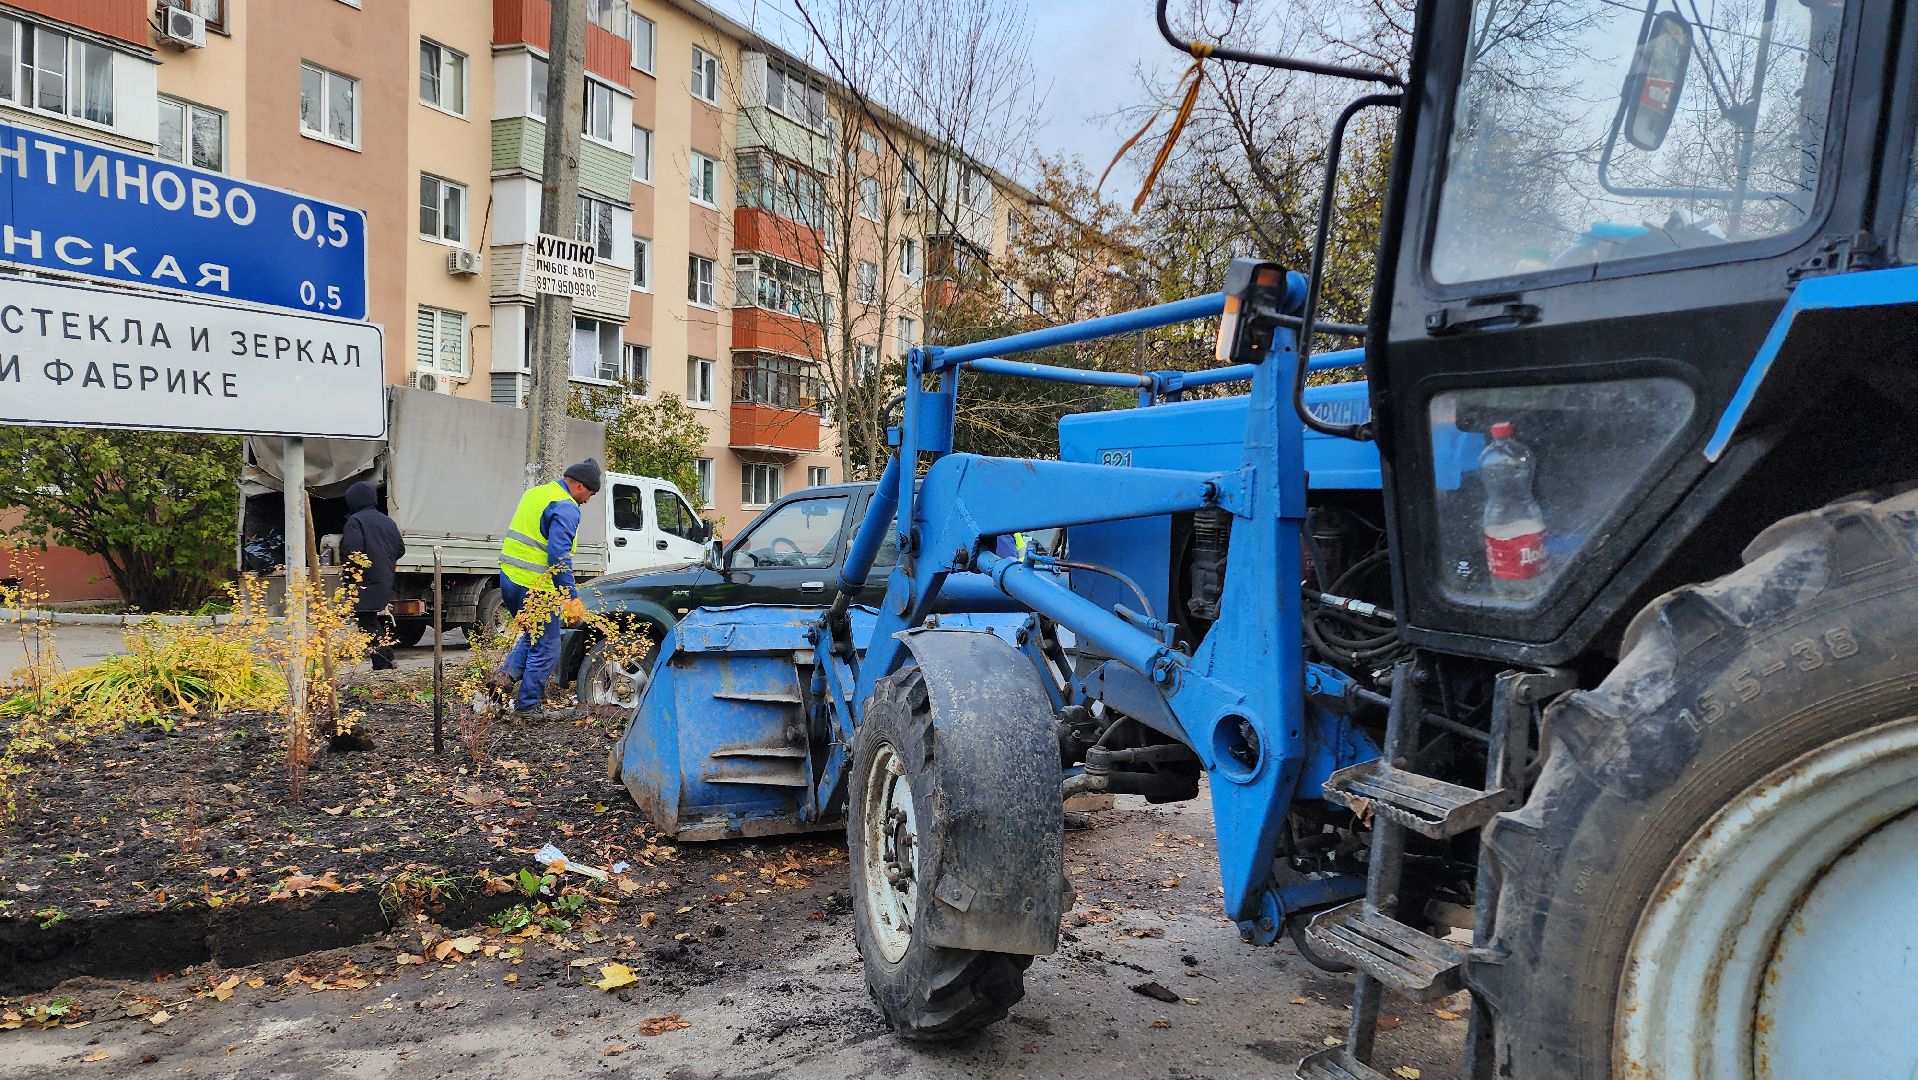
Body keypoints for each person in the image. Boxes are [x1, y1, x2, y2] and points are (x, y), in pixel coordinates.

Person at [496, 458, 600, 717]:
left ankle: (502, 682)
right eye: (590, 493)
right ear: (578, 485)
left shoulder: (537, 494)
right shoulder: (566, 507)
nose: (588, 500)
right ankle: (528, 707)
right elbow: (559, 556)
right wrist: (570, 597)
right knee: (548, 647)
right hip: (536, 587)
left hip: (510, 579)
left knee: (534, 636)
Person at [340, 480, 404, 672]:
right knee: (373, 619)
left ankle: (383, 662)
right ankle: (387, 658)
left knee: (365, 621)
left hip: (363, 580)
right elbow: (400, 549)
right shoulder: (387, 521)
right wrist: (385, 562)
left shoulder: (355, 522)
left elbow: (353, 552)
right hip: (385, 578)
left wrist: (349, 574)